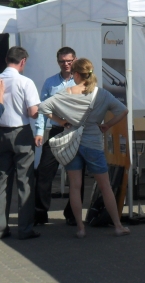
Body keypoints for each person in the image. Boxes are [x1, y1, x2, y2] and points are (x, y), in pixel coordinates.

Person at [38, 58, 130, 238]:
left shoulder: (66, 93)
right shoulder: (102, 94)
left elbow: (43, 107)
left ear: (76, 74)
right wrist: (107, 125)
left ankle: (80, 228)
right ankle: (118, 226)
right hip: (93, 143)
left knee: (74, 186)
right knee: (105, 186)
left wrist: (61, 121)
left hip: (72, 143)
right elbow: (123, 111)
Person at [34, 47, 84, 226]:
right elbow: (42, 108)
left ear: (75, 60)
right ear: (58, 62)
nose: (66, 64)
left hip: (76, 131)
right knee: (44, 171)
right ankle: (40, 213)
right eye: (62, 61)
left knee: (77, 174)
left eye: (69, 61)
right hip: (57, 130)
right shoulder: (51, 82)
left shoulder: (82, 81)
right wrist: (39, 132)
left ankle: (72, 214)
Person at [0, 46, 41, 240]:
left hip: (1, 133)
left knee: (2, 181)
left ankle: (1, 227)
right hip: (21, 133)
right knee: (25, 181)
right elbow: (33, 113)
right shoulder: (26, 82)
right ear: (23, 61)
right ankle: (25, 229)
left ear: (7, 59)